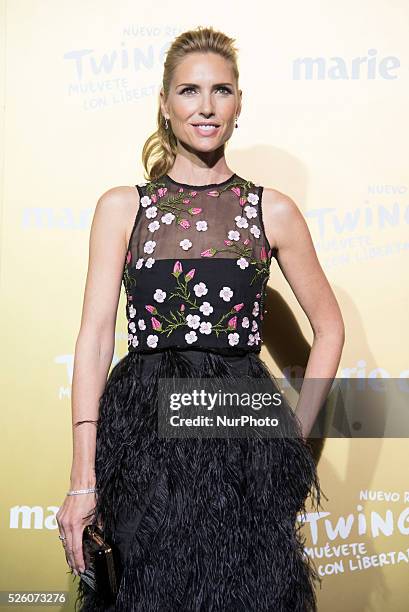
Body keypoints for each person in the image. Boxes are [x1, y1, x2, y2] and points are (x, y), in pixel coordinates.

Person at [56, 25, 344, 612]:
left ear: (240, 104)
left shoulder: (272, 210)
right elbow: (93, 341)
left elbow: (330, 327)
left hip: (242, 436)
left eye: (222, 91)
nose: (206, 107)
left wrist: (295, 442)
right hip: (143, 433)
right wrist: (82, 479)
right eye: (189, 91)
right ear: (164, 104)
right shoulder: (124, 207)